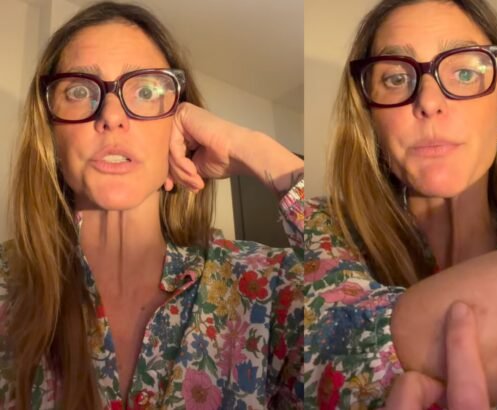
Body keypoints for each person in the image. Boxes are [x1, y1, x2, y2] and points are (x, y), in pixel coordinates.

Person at [304, 0, 497, 408]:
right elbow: (346, 353)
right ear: (371, 118)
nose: (428, 101)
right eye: (396, 78)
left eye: (466, 72)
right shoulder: (321, 228)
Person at [0, 2, 303, 409]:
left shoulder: (266, 285)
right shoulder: (7, 286)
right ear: (51, 134)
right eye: (79, 91)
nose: (111, 116)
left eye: (145, 91)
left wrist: (258, 151)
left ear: (181, 125)